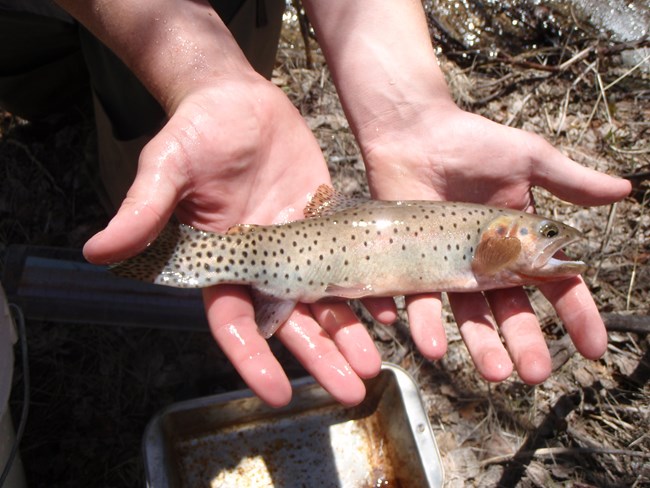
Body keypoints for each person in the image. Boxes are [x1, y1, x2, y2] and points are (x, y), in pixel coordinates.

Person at [2, 0, 631, 407]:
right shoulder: (480, 236)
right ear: (500, 233)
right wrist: (195, 68)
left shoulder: (482, 245)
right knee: (86, 97)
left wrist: (410, 105)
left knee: (124, 120)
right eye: (536, 230)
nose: (545, 241)